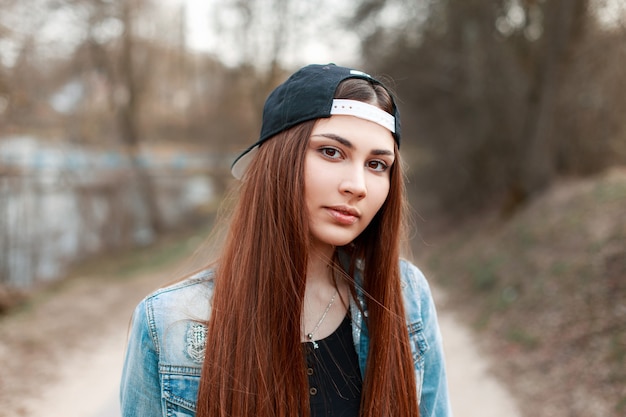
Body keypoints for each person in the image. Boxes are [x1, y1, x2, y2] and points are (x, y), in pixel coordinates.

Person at [120, 63, 453, 417]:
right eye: (331, 152)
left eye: (376, 165)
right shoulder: (169, 321)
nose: (357, 185)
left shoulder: (405, 296)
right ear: (279, 160)